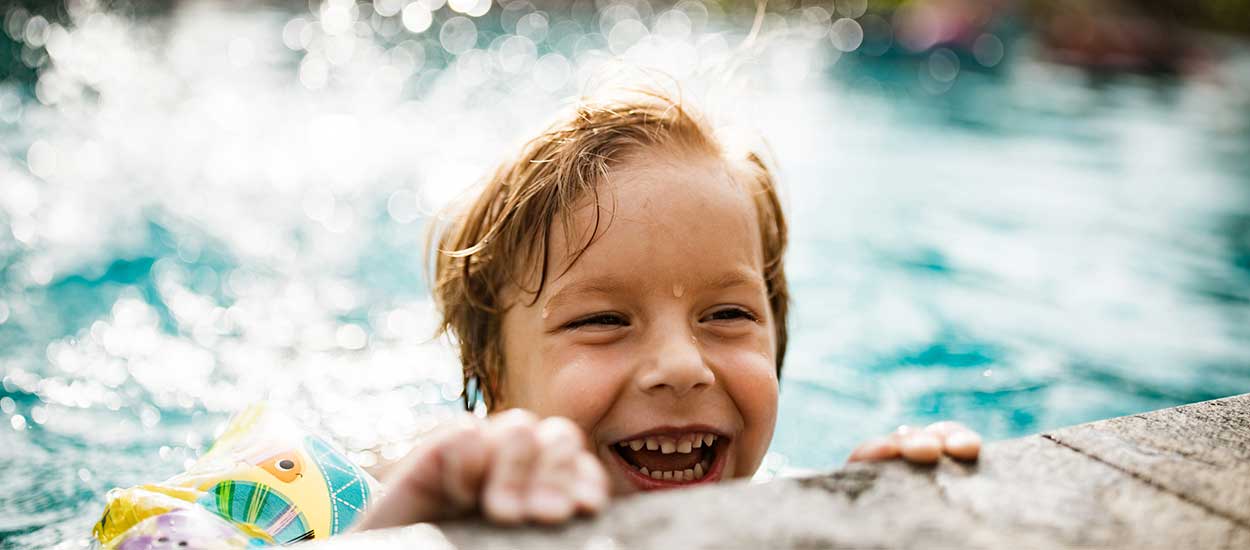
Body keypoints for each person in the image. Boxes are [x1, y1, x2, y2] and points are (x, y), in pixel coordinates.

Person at [354, 85, 981, 530]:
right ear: (495, 382)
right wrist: (407, 528)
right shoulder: (409, 499)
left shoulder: (773, 505)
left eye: (728, 315)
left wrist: (874, 516)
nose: (683, 367)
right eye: (601, 320)